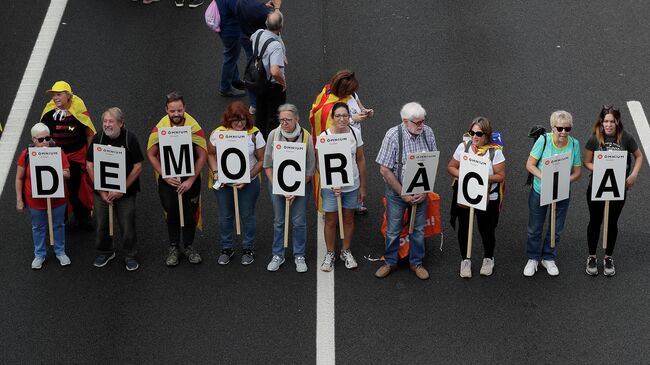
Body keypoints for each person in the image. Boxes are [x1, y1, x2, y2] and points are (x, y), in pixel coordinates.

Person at [374, 102, 437, 280]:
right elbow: (384, 170)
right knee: (393, 229)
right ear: (405, 121)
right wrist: (403, 193)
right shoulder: (393, 136)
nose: (421, 125)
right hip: (397, 192)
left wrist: (425, 191)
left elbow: (433, 161)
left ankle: (416, 263)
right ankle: (390, 262)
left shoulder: (428, 132)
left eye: (423, 121)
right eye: (417, 123)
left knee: (418, 229)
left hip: (420, 189)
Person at [146, 92, 207, 267]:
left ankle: (188, 246)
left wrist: (191, 180)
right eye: (172, 111)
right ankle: (174, 246)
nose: (176, 114)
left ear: (184, 108)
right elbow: (151, 154)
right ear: (166, 110)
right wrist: (164, 175)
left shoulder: (193, 126)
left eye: (179, 110)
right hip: (168, 181)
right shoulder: (160, 128)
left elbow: (202, 155)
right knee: (172, 213)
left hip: (190, 179)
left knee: (190, 214)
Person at [584, 105, 643, 276]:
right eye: (605, 121)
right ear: (601, 122)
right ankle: (592, 256)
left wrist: (633, 175)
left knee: (612, 222)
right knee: (595, 221)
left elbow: (638, 156)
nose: (608, 125)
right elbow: (587, 162)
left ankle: (608, 257)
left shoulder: (626, 138)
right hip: (597, 187)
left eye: (612, 121)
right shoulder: (594, 138)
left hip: (618, 188)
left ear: (617, 122)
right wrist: (600, 169)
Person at [524, 110, 582, 277]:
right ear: (552, 128)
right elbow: (530, 164)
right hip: (540, 191)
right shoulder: (543, 141)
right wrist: (545, 177)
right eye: (559, 128)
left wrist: (564, 181)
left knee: (556, 228)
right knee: (535, 227)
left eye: (567, 129)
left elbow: (577, 172)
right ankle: (533, 258)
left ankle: (548, 257)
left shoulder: (574, 144)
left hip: (562, 192)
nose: (563, 132)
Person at [86, 108, 144, 271]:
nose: (107, 125)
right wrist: (100, 190)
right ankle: (105, 251)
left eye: (111, 121)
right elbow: (89, 165)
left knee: (127, 223)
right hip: (102, 191)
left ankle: (130, 254)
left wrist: (122, 189)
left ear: (121, 123)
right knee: (101, 222)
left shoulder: (130, 139)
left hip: (125, 193)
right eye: (105, 121)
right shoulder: (98, 138)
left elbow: (138, 165)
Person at [207, 101, 265, 265]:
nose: (239, 123)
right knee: (225, 215)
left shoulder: (255, 133)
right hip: (224, 184)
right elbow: (210, 154)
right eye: (235, 120)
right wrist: (216, 173)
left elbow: (261, 160)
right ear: (228, 119)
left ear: (247, 118)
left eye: (242, 119)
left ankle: (248, 248)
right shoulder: (218, 133)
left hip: (249, 183)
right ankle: (226, 248)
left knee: (248, 215)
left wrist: (248, 176)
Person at [447, 117, 505, 278]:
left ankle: (488, 258)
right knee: (464, 227)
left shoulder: (495, 152)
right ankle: (465, 260)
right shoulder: (463, 147)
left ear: (487, 135)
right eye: (472, 132)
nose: (475, 136)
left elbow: (500, 176)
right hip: (465, 195)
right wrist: (465, 175)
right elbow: (451, 167)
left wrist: (481, 177)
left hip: (488, 197)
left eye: (479, 133)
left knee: (487, 230)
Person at [309, 70, 374, 215]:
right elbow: (331, 126)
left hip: (354, 137)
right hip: (339, 143)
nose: (353, 92)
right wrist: (352, 120)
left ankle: (354, 202)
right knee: (342, 173)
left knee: (355, 168)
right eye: (350, 90)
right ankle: (337, 207)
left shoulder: (351, 94)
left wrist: (365, 111)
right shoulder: (330, 105)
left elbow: (359, 105)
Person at [263, 104, 315, 272]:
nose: (284, 123)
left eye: (288, 120)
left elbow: (310, 169)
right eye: (282, 120)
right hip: (278, 188)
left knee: (299, 222)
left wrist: (295, 189)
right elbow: (267, 165)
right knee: (279, 221)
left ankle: (299, 255)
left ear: (297, 119)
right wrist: (277, 185)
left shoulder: (307, 137)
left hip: (301, 187)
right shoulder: (273, 135)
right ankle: (277, 254)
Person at [316, 102, 366, 272]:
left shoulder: (355, 133)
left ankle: (346, 250)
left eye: (345, 115)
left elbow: (360, 159)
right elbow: (319, 163)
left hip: (352, 185)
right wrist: (330, 182)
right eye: (338, 115)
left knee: (349, 219)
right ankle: (330, 253)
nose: (342, 119)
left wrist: (363, 187)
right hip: (331, 189)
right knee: (330, 220)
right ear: (332, 118)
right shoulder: (323, 136)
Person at [40, 80, 95, 230]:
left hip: (76, 156)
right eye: (53, 95)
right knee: (58, 188)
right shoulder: (49, 112)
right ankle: (60, 220)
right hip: (56, 158)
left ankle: (82, 218)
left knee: (77, 187)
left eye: (58, 94)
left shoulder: (78, 108)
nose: (55, 98)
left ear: (67, 95)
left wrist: (89, 155)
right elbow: (42, 135)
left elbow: (89, 133)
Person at [15, 123, 71, 269]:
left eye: (47, 138)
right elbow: (19, 178)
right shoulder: (26, 154)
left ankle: (60, 251)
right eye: (41, 140)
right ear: (33, 140)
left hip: (58, 199)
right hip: (35, 201)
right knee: (38, 227)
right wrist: (19, 200)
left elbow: (67, 173)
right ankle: (39, 254)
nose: (45, 142)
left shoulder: (57, 152)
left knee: (58, 225)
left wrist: (53, 166)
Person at [236, 0, 282, 113]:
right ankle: (268, 102)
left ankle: (254, 104)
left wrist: (264, 7)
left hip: (246, 38)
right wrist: (277, 8)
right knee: (267, 71)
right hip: (263, 42)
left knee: (252, 70)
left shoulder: (240, 3)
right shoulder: (261, 11)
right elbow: (276, 22)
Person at [250, 10, 286, 137]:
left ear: (266, 23)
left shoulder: (258, 33)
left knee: (260, 112)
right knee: (274, 117)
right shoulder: (275, 46)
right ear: (281, 26)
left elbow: (252, 41)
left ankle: (258, 138)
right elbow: (275, 71)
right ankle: (271, 141)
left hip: (258, 80)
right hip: (272, 85)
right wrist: (283, 83)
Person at [216, 0, 247, 98]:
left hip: (224, 27)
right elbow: (241, 13)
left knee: (232, 56)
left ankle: (235, 80)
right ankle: (225, 88)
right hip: (231, 31)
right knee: (230, 58)